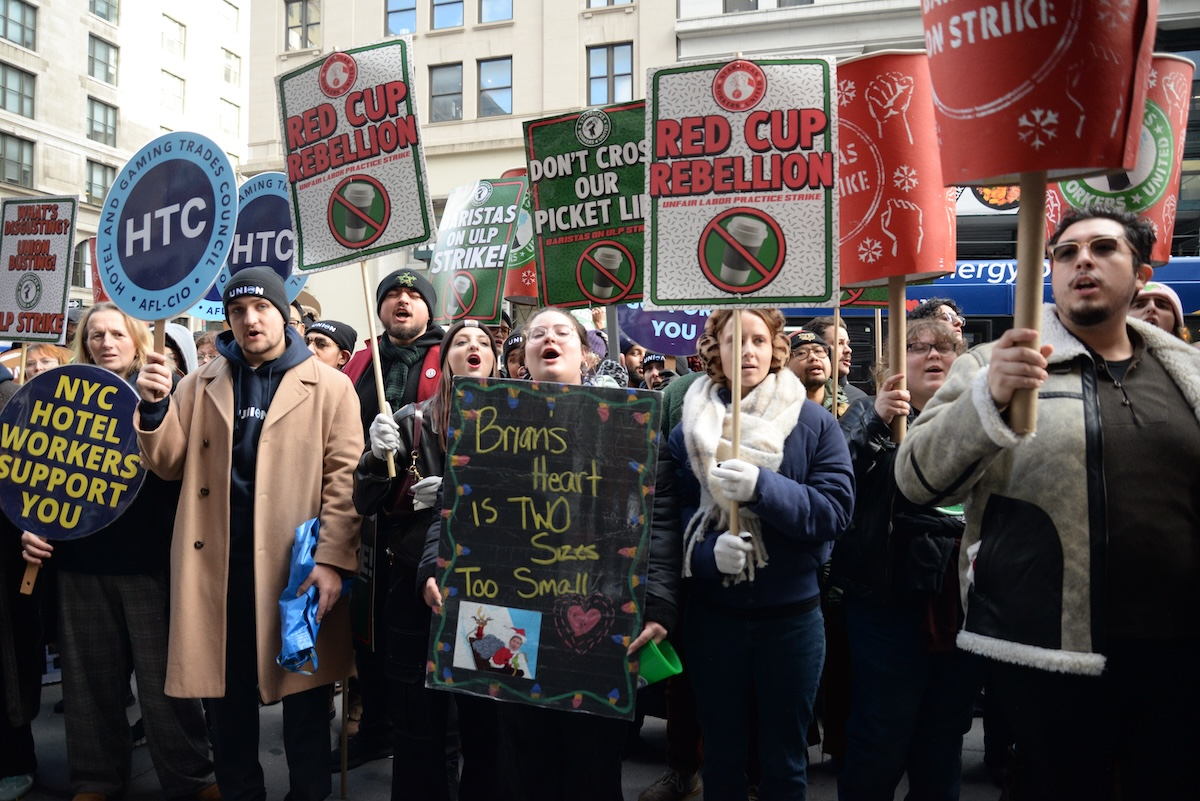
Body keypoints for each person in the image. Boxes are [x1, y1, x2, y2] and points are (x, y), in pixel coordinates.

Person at [895, 205, 1200, 801]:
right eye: (1066, 252)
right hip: (1047, 649)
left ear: (1140, 274)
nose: (1082, 259)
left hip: (1179, 646)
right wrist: (989, 398)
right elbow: (918, 479)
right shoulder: (990, 364)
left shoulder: (1186, 370)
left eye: (1104, 248)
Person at [133, 267, 362, 801]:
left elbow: (343, 480)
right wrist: (154, 407)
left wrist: (331, 561)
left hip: (295, 570)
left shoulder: (330, 386)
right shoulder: (200, 381)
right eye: (238, 311)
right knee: (226, 701)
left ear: (283, 313)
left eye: (261, 308)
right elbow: (166, 463)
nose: (250, 319)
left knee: (305, 700)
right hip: (218, 567)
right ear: (228, 319)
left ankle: (308, 794)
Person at [21, 303, 217, 801]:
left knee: (166, 684)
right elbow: (32, 468)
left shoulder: (166, 390)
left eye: (116, 334)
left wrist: (160, 401)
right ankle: (95, 778)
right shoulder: (57, 395)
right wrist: (32, 524)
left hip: (151, 560)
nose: (105, 343)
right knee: (88, 682)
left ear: (137, 337)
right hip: (81, 561)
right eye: (95, 335)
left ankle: (191, 778)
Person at [491, 307, 680, 801]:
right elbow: (459, 505)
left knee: (591, 765)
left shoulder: (626, 423)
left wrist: (658, 602)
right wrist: (436, 568)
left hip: (598, 616)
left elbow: (656, 519)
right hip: (510, 614)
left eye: (561, 333)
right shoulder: (489, 419)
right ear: (522, 356)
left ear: (587, 355)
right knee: (524, 759)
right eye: (536, 334)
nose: (547, 340)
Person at [669, 308, 854, 800]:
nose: (746, 351)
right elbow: (672, 513)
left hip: (792, 621)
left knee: (784, 760)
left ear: (775, 348)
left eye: (757, 340)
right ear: (715, 349)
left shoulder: (814, 423)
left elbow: (834, 513)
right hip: (714, 619)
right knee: (723, 757)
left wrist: (762, 487)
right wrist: (708, 555)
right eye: (733, 341)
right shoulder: (689, 426)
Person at [832, 317, 982, 800]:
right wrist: (872, 418)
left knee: (943, 737)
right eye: (917, 347)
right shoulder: (867, 416)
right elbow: (837, 477)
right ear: (892, 367)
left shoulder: (977, 417)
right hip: (888, 601)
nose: (933, 355)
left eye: (945, 346)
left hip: (959, 600)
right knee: (881, 734)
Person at [357, 319, 500, 801]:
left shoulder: (522, 420)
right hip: (415, 584)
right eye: (462, 341)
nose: (474, 347)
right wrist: (377, 460)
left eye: (484, 342)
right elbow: (363, 499)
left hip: (492, 591)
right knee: (418, 720)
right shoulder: (411, 420)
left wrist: (467, 495)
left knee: (485, 721)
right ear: (445, 358)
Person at [339, 269, 445, 769]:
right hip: (369, 516)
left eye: (413, 294)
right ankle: (375, 725)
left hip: (424, 521)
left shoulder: (452, 354)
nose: (402, 302)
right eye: (393, 295)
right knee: (369, 631)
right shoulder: (361, 361)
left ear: (429, 307)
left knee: (418, 635)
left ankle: (431, 736)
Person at [805, 316, 867, 405]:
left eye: (847, 343)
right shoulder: (793, 398)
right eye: (839, 343)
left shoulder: (859, 401)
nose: (848, 350)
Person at [789, 329, 845, 414]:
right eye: (802, 353)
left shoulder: (849, 412)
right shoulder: (773, 414)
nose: (813, 357)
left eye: (819, 351)